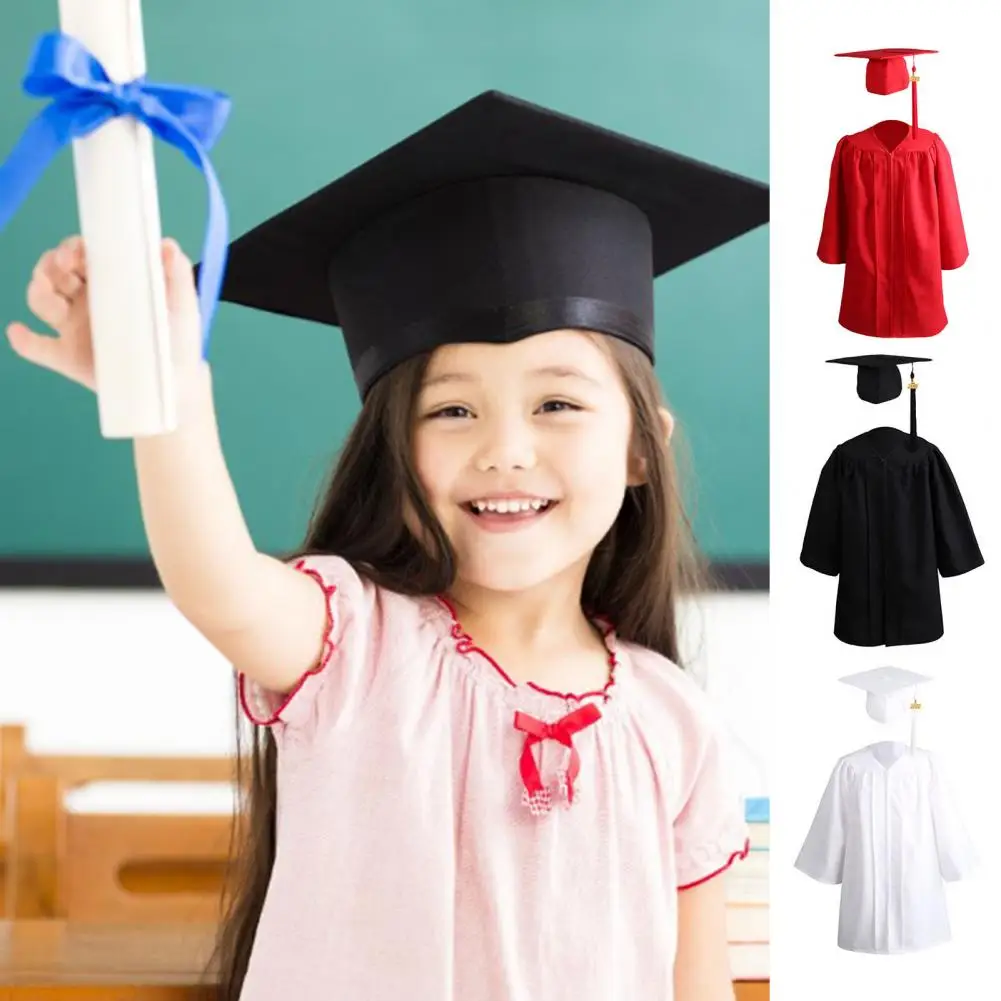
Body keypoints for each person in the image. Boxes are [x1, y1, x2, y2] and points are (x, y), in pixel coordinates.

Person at [6, 92, 767, 1001]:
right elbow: (218, 582)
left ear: (642, 446)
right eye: (451, 409)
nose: (505, 448)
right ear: (392, 449)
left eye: (557, 403)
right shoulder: (355, 645)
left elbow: (699, 980)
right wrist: (165, 394)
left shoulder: (671, 719)